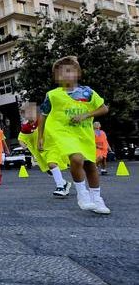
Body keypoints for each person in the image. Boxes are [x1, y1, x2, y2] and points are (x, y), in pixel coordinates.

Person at [38, 56, 110, 214]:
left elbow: (104, 108)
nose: (65, 75)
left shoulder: (88, 92)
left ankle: (97, 199)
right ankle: (82, 195)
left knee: (91, 166)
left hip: (83, 133)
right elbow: (43, 116)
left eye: (69, 71)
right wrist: (40, 137)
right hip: (62, 133)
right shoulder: (52, 95)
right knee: (77, 158)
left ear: (78, 73)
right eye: (60, 73)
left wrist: (86, 115)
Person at [18, 102, 71, 197]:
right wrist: (23, 145)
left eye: (30, 112)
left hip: (53, 146)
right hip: (42, 151)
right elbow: (21, 138)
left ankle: (60, 187)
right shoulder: (26, 127)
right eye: (25, 113)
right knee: (49, 170)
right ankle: (64, 183)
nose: (28, 114)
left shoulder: (44, 119)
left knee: (52, 164)